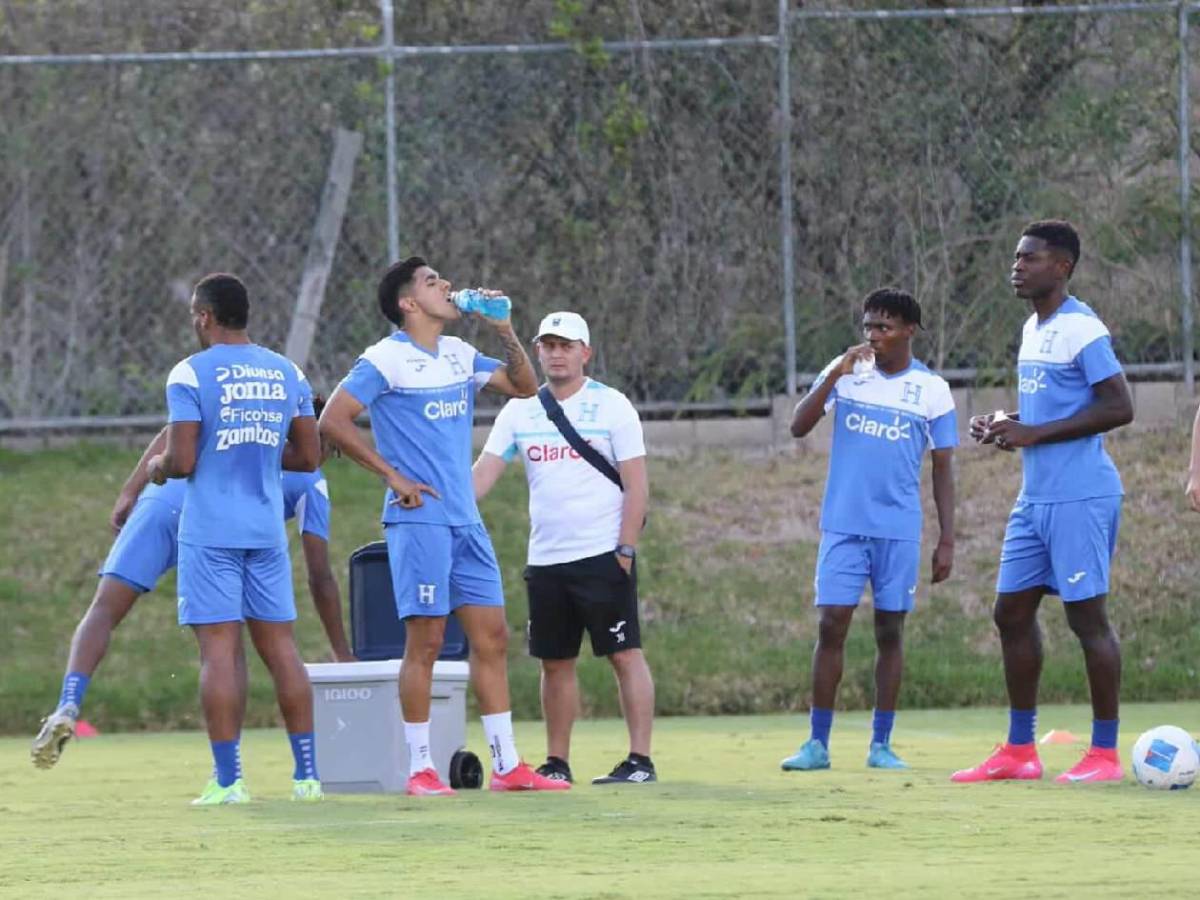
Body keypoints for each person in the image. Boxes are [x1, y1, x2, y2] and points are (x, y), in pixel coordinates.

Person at [319, 256, 568, 795]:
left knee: (493, 637)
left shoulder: (458, 354)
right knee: (426, 642)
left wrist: (504, 330)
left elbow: (524, 386)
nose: (447, 286)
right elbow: (332, 421)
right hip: (420, 519)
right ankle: (421, 769)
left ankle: (507, 766)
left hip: (464, 518)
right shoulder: (385, 360)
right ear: (409, 304)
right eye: (432, 283)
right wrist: (392, 476)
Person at [30, 400, 354, 772]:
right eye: (332, 448)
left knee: (104, 609)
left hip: (161, 500)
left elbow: (173, 434)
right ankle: (232, 769)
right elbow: (320, 576)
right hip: (210, 521)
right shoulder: (309, 479)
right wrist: (341, 651)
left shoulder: (237, 428)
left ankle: (69, 700)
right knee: (226, 644)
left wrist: (129, 492)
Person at [952, 219, 1133, 784]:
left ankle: (1103, 754)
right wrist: (1007, 422)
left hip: (1081, 495)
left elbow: (1118, 406)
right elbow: (1054, 412)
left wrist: (1033, 434)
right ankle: (1020, 750)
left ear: (1063, 266)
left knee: (1087, 619)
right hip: (1035, 499)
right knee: (1009, 612)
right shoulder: (1034, 328)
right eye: (1015, 257)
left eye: (1030, 258)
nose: (1017, 265)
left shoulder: (1083, 328)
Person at [150, 272, 324, 805]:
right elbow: (309, 456)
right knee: (282, 650)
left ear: (204, 316)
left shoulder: (190, 373)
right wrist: (265, 454)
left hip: (212, 531)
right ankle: (307, 778)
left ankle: (229, 782)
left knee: (219, 653)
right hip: (266, 528)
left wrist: (157, 466)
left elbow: (181, 459)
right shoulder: (286, 370)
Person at [473, 311, 655, 785]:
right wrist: (435, 502)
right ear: (538, 351)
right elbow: (482, 475)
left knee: (623, 653)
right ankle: (557, 760)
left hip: (602, 554)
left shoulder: (612, 406)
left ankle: (639, 759)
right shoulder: (519, 410)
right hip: (547, 559)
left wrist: (625, 548)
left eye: (566, 345)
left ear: (585, 353)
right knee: (554, 662)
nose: (556, 353)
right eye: (548, 345)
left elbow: (636, 486)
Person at [781, 288, 957, 772]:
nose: (873, 336)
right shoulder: (846, 374)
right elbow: (798, 426)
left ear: (909, 331)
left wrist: (947, 538)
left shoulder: (932, 390)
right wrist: (835, 373)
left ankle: (881, 744)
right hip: (843, 525)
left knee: (890, 630)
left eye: (884, 327)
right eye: (869, 327)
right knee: (830, 624)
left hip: (898, 530)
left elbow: (943, 467)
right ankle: (817, 744)